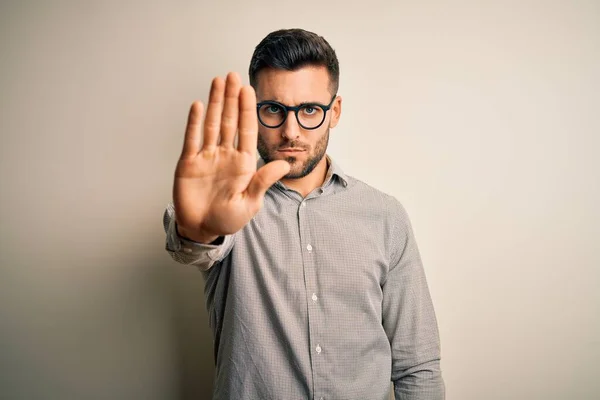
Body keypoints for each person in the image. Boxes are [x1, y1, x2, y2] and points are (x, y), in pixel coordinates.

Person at [163, 28, 445, 400]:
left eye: (309, 109)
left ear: (335, 111)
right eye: (274, 110)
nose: (291, 132)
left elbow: (417, 365)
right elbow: (192, 245)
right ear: (254, 109)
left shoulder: (385, 216)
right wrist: (198, 229)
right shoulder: (227, 206)